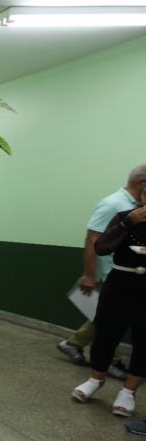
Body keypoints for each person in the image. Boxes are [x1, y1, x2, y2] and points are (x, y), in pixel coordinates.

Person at [58, 165, 146, 378]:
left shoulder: (136, 205)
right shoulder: (113, 204)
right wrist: (88, 274)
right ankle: (110, 362)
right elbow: (92, 239)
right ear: (142, 184)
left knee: (105, 317)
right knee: (108, 319)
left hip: (130, 275)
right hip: (111, 271)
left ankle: (75, 344)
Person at [71, 188, 146, 425]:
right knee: (105, 334)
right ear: (142, 196)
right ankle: (95, 379)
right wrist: (127, 223)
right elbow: (102, 247)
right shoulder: (125, 216)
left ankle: (128, 392)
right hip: (120, 284)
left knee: (144, 341)